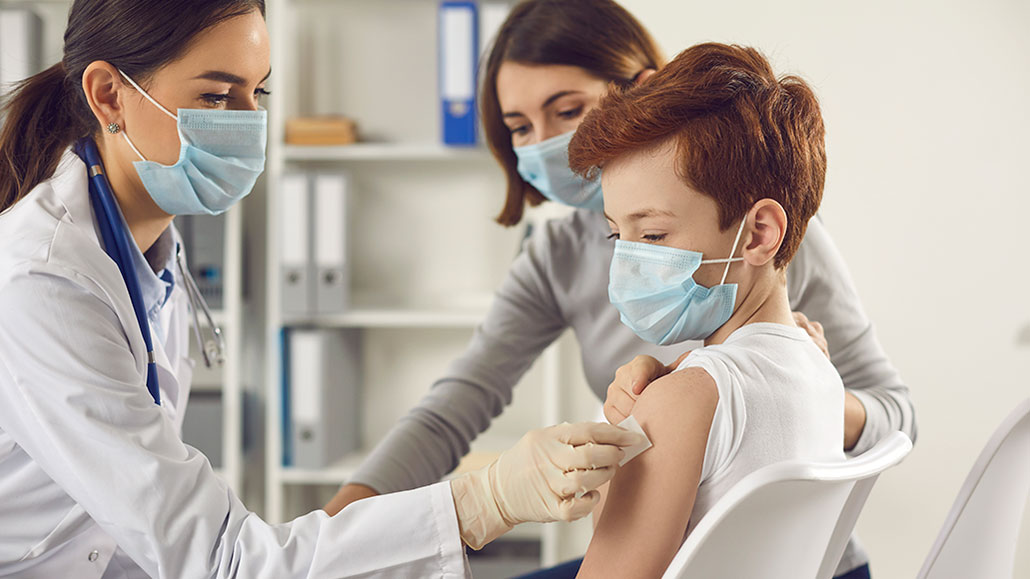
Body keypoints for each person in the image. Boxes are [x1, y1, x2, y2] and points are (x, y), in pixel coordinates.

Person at [0, 1, 643, 577]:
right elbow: (217, 558)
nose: (250, 124)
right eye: (220, 97)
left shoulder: (144, 250)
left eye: (257, 93)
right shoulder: (46, 277)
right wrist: (481, 500)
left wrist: (342, 545)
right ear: (109, 96)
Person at [328, 1, 915, 578]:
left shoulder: (765, 240)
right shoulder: (560, 261)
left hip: (808, 555)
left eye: (566, 110)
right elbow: (455, 405)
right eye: (520, 128)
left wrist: (744, 405)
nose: (544, 145)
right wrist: (326, 541)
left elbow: (895, 415)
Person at [568, 41, 844, 577]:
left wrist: (644, 418)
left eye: (651, 233)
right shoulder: (820, 371)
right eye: (616, 235)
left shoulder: (687, 399)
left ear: (759, 233)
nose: (628, 261)